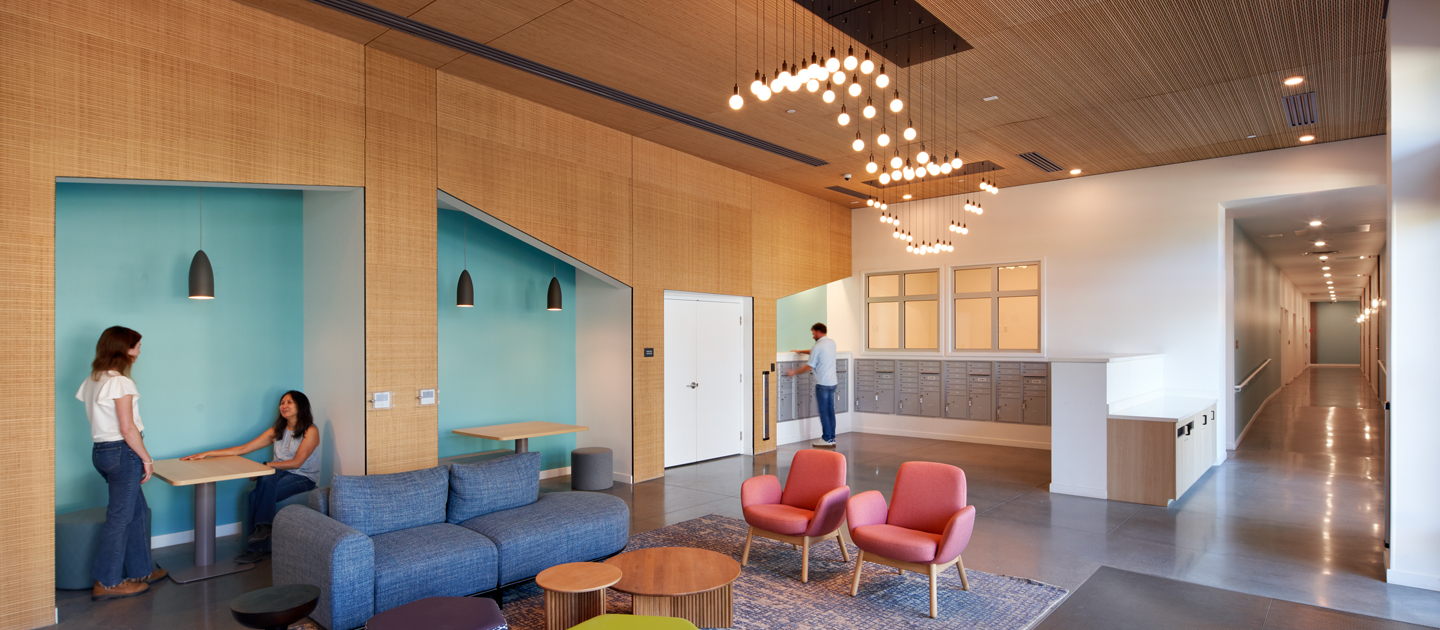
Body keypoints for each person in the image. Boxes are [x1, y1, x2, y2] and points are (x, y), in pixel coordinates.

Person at [77, 326, 166, 600]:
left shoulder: (94, 379)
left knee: (137, 511)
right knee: (121, 518)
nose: (139, 351)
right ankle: (107, 582)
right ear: (123, 349)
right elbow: (128, 429)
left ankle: (141, 570)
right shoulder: (120, 382)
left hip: (101, 452)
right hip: (122, 453)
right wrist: (147, 459)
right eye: (137, 346)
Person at [182, 390, 319, 564]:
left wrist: (264, 467)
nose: (284, 406)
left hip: (303, 476)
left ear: (301, 406)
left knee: (258, 490)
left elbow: (297, 463)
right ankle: (262, 531)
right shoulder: (277, 430)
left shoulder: (310, 431)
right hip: (278, 473)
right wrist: (207, 454)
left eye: (289, 402)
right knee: (264, 479)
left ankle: (256, 546)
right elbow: (243, 449)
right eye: (282, 402)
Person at [786, 322, 838, 447]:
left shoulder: (817, 346)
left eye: (813, 332)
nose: (812, 335)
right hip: (832, 383)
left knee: (824, 412)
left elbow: (809, 367)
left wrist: (794, 372)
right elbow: (817, 352)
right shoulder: (831, 343)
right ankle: (831, 438)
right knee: (830, 411)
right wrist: (801, 351)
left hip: (823, 384)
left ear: (818, 332)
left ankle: (826, 439)